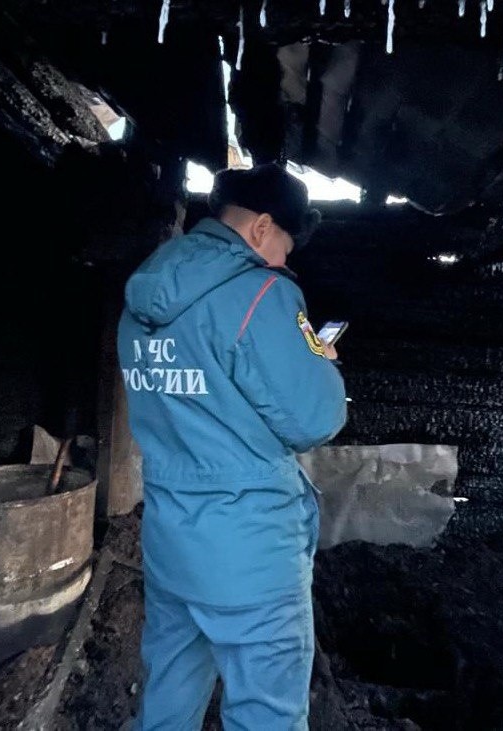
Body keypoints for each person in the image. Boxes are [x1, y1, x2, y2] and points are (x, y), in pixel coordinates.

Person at [117, 162, 348, 730]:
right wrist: (321, 362)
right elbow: (315, 419)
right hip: (250, 545)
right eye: (284, 248)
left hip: (171, 537)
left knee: (169, 694)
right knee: (267, 712)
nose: (283, 262)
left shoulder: (143, 293)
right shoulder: (261, 292)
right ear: (262, 227)